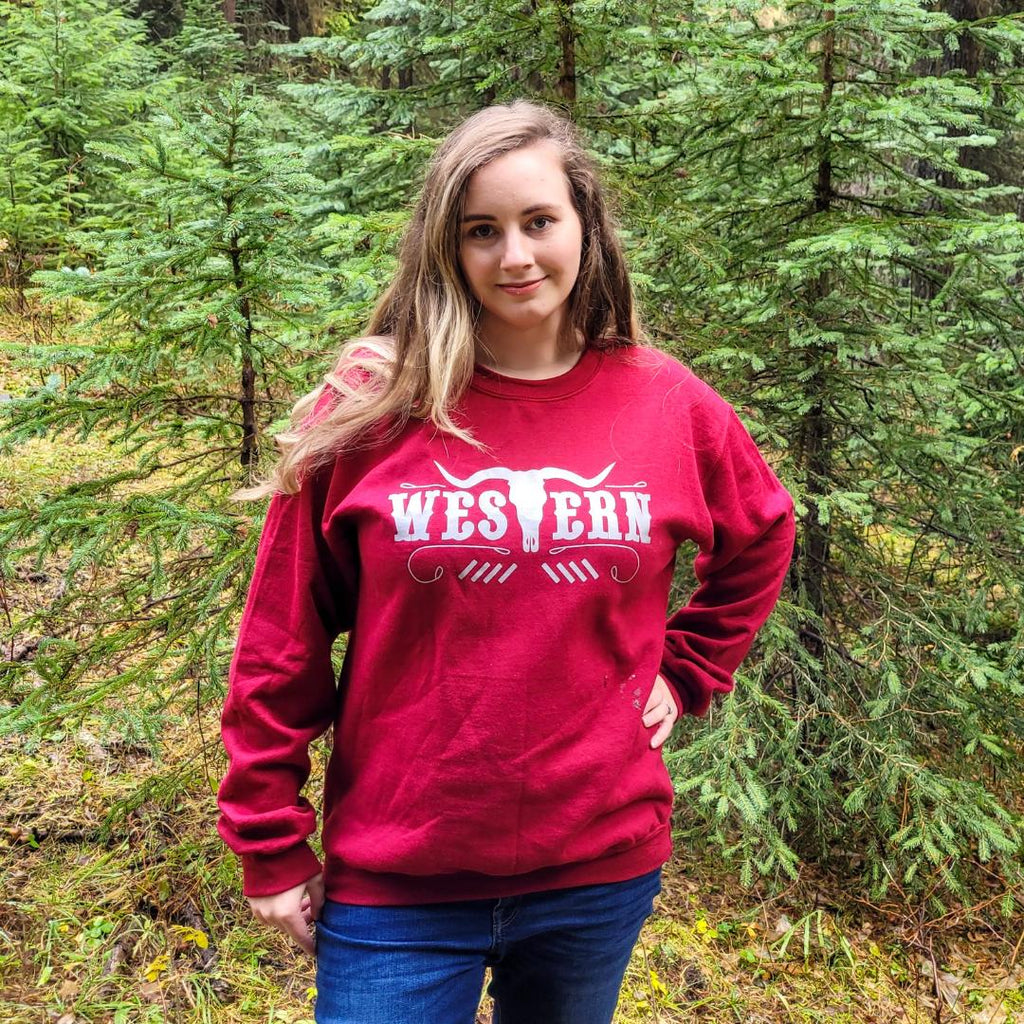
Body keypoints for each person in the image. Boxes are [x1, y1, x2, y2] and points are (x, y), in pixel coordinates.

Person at [217, 100, 795, 1024]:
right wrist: (268, 837)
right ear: (446, 248)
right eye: (481, 231)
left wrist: (688, 671)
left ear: (585, 228)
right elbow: (282, 633)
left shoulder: (663, 401)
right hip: (398, 875)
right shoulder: (374, 402)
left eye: (538, 222)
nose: (515, 256)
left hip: (595, 869)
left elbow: (763, 531)